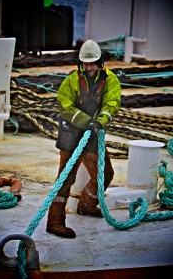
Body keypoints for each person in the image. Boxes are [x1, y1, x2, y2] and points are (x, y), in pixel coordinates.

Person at [46, 39, 121, 238]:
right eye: (85, 63)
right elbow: (65, 105)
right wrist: (87, 121)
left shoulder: (110, 80)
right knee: (66, 177)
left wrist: (101, 120)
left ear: (100, 62)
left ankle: (87, 205)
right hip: (71, 132)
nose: (88, 67)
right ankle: (54, 222)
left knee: (105, 173)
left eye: (92, 63)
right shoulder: (71, 81)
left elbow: (112, 103)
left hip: (93, 131)